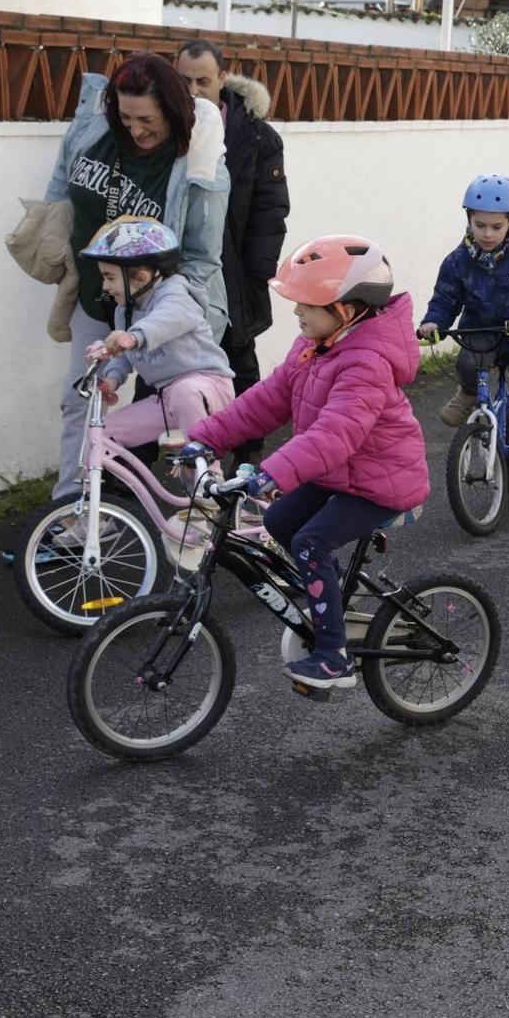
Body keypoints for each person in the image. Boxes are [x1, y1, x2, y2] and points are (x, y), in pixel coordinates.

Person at [186, 235, 430, 691]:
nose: (296, 314)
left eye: (306, 306)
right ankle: (332, 596)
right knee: (280, 521)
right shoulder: (313, 348)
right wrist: (203, 439)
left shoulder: (366, 362)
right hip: (340, 474)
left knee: (311, 542)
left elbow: (334, 434)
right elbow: (263, 403)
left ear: (346, 310)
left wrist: (271, 473)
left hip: (383, 484)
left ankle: (333, 656)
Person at [44, 55, 229, 500]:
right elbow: (62, 178)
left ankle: (207, 505)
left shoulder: (197, 162)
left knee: (180, 418)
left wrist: (167, 311)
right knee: (82, 401)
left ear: (171, 109)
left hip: (157, 303)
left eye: (147, 119)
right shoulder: (97, 131)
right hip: (97, 293)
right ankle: (73, 512)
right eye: (125, 117)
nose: (136, 129)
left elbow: (203, 255)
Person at [175, 42, 291, 448]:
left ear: (222, 79)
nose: (193, 91)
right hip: (177, 272)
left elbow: (270, 210)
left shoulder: (256, 136)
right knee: (166, 364)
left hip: (236, 273)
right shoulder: (166, 127)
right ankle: (127, 480)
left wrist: (257, 274)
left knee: (239, 361)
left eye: (203, 81)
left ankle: (249, 458)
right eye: (184, 80)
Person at [418, 174, 509, 484]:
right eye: (479, 225)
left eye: (496, 227)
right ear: (468, 219)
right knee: (467, 363)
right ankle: (469, 393)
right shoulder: (457, 262)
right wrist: (433, 323)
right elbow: (445, 299)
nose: (487, 233)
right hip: (481, 332)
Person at [82, 217, 234, 445]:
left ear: (141, 277)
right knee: (102, 433)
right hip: (167, 399)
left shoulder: (175, 293)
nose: (105, 286)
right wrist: (111, 381)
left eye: (109, 277)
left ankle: (207, 474)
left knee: (186, 394)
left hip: (208, 388)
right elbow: (123, 356)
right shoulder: (124, 311)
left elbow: (168, 318)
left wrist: (133, 337)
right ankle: (102, 481)